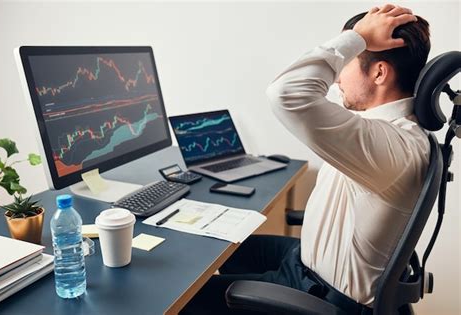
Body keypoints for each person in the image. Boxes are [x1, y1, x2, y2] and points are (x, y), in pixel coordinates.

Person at [181, 4, 431, 314]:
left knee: (184, 297)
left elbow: (286, 93)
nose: (337, 79)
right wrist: (358, 40)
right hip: (306, 262)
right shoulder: (386, 131)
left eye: (347, 64)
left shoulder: (391, 146)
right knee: (213, 249)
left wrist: (357, 37)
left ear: (379, 72)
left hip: (316, 294)